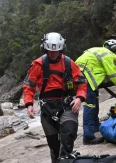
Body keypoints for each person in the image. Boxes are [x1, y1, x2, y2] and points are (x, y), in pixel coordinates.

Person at [23, 32, 87, 163]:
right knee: (54, 144)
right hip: (47, 107)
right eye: (50, 51)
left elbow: (82, 83)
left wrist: (79, 98)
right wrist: (29, 104)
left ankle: (66, 159)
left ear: (61, 49)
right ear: (44, 49)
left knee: (68, 134)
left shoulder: (69, 63)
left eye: (56, 51)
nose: (53, 54)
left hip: (67, 104)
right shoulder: (38, 64)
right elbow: (29, 86)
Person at [75, 39, 116, 145]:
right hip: (86, 78)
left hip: (80, 76)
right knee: (90, 105)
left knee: (94, 101)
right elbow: (114, 76)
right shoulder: (108, 54)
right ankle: (88, 137)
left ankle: (95, 126)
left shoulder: (96, 50)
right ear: (115, 49)